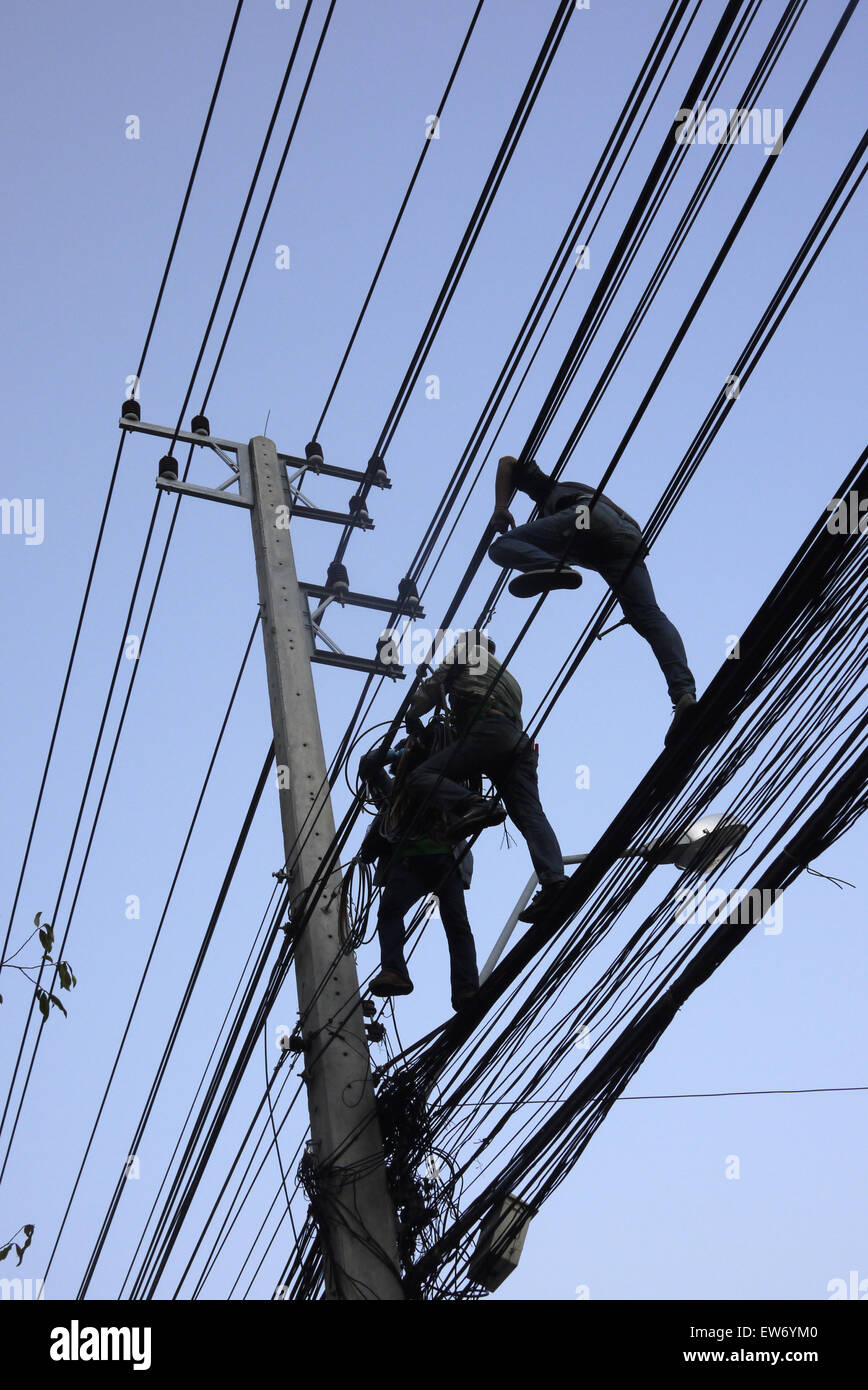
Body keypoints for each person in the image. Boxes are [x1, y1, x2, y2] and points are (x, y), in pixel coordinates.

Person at [488, 455, 698, 746]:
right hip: (627, 537)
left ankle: (553, 568)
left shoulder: (551, 490)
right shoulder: (563, 499)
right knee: (648, 617)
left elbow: (507, 461)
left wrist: (501, 508)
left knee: (501, 547)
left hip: (586, 518)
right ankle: (684, 695)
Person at [404, 631, 566, 922]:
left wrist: (413, 715)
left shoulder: (463, 652)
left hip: (488, 733)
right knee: (530, 815)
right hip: (518, 743)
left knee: (419, 777)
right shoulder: (507, 676)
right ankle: (554, 880)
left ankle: (471, 804)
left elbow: (431, 689)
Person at [359, 739, 480, 1011]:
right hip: (413, 865)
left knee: (455, 925)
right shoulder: (397, 794)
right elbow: (367, 764)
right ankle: (397, 973)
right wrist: (397, 753)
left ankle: (465, 988)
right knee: (396, 914)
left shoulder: (440, 782)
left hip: (440, 861)